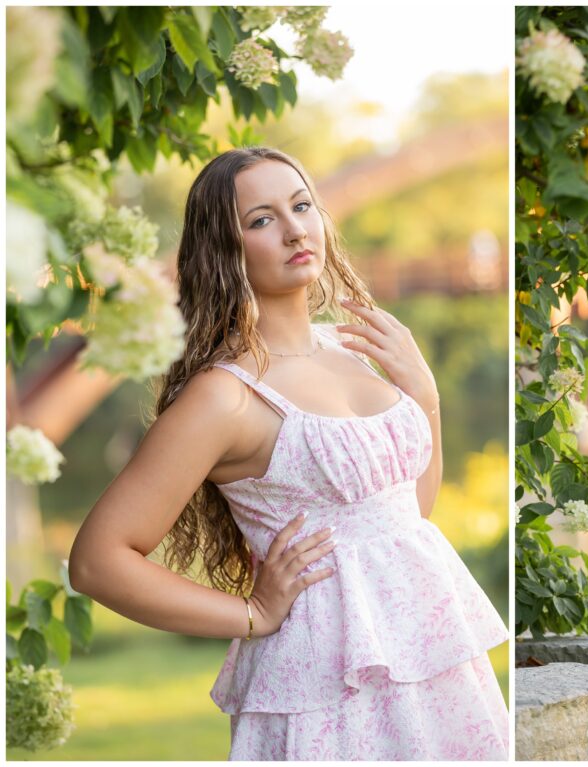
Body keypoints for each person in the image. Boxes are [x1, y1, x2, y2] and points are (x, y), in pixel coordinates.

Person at [68, 147, 509, 760]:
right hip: (324, 690)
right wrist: (252, 614)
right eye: (262, 219)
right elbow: (97, 562)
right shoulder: (224, 396)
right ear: (225, 250)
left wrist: (424, 392)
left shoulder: (357, 349)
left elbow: (408, 519)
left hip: (431, 660)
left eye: (302, 206)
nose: (295, 228)